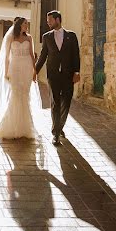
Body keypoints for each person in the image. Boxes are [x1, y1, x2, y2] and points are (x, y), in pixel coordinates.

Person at [0, 17, 42, 139]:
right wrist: (6, 72)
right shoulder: (10, 37)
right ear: (19, 25)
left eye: (27, 24)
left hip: (27, 69)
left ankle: (25, 128)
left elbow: (32, 56)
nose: (26, 26)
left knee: (25, 95)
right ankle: (12, 126)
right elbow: (7, 57)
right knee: (16, 95)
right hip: (15, 68)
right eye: (24, 24)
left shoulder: (29, 38)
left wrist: (35, 71)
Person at [35, 10, 80, 146]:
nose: (48, 22)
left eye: (50, 20)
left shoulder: (71, 36)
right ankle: (56, 133)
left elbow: (76, 55)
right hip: (53, 75)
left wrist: (77, 72)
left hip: (68, 74)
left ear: (57, 20)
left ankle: (60, 127)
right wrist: (35, 71)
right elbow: (43, 55)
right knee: (55, 102)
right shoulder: (46, 37)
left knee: (66, 102)